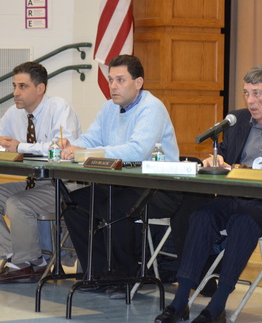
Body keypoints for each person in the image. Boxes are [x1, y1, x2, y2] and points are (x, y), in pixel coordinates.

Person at [154, 65, 262, 323]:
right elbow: (225, 155)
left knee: (245, 221)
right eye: (246, 93)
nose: (251, 101)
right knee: (200, 216)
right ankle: (180, 300)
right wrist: (216, 159)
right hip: (235, 196)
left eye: (257, 94)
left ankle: (218, 305)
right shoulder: (236, 119)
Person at [59, 55, 207, 286]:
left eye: (120, 80)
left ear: (138, 83)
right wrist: (74, 147)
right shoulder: (109, 107)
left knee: (113, 208)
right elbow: (91, 138)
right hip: (123, 185)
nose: (113, 86)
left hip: (160, 189)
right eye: (110, 80)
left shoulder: (152, 108)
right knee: (73, 206)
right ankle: (97, 274)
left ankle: (125, 277)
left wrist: (89, 152)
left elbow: (137, 151)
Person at [0, 61, 81, 284]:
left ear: (40, 88)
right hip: (34, 183)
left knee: (18, 203)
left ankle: (29, 263)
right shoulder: (14, 113)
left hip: (62, 186)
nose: (16, 93)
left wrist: (20, 146)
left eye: (23, 86)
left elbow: (57, 149)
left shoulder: (60, 108)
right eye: (14, 86)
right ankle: (19, 259)